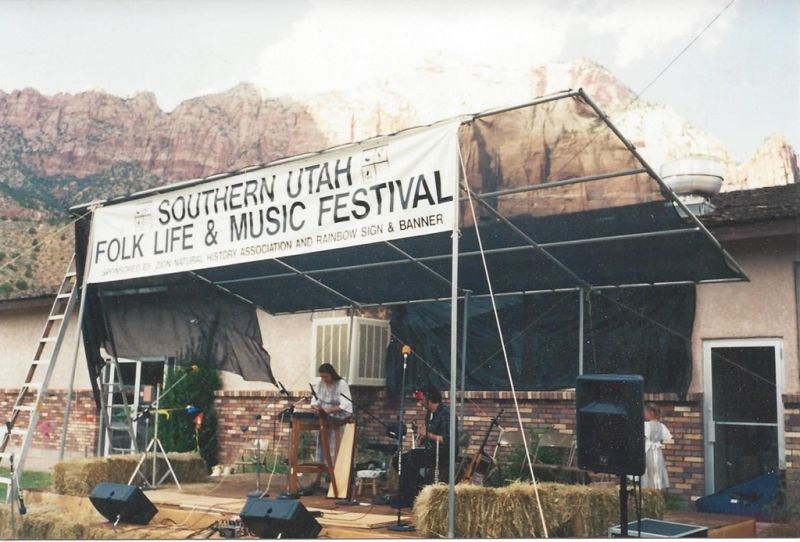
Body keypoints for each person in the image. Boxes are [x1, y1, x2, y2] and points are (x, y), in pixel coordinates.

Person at [309, 363, 353, 477]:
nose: (324, 379)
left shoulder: (341, 384)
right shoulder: (320, 384)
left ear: (332, 374)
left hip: (339, 420)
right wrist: (316, 407)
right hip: (325, 419)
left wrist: (330, 409)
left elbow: (346, 404)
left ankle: (335, 475)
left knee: (335, 448)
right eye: (322, 377)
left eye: (326, 377)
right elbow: (315, 400)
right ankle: (319, 475)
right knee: (322, 446)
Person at [642, 403, 672, 490]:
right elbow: (667, 437)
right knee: (657, 469)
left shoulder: (646, 425)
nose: (644, 414)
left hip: (648, 451)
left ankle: (648, 488)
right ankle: (657, 487)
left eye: (645, 412)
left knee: (649, 469)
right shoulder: (662, 426)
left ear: (651, 413)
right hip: (657, 452)